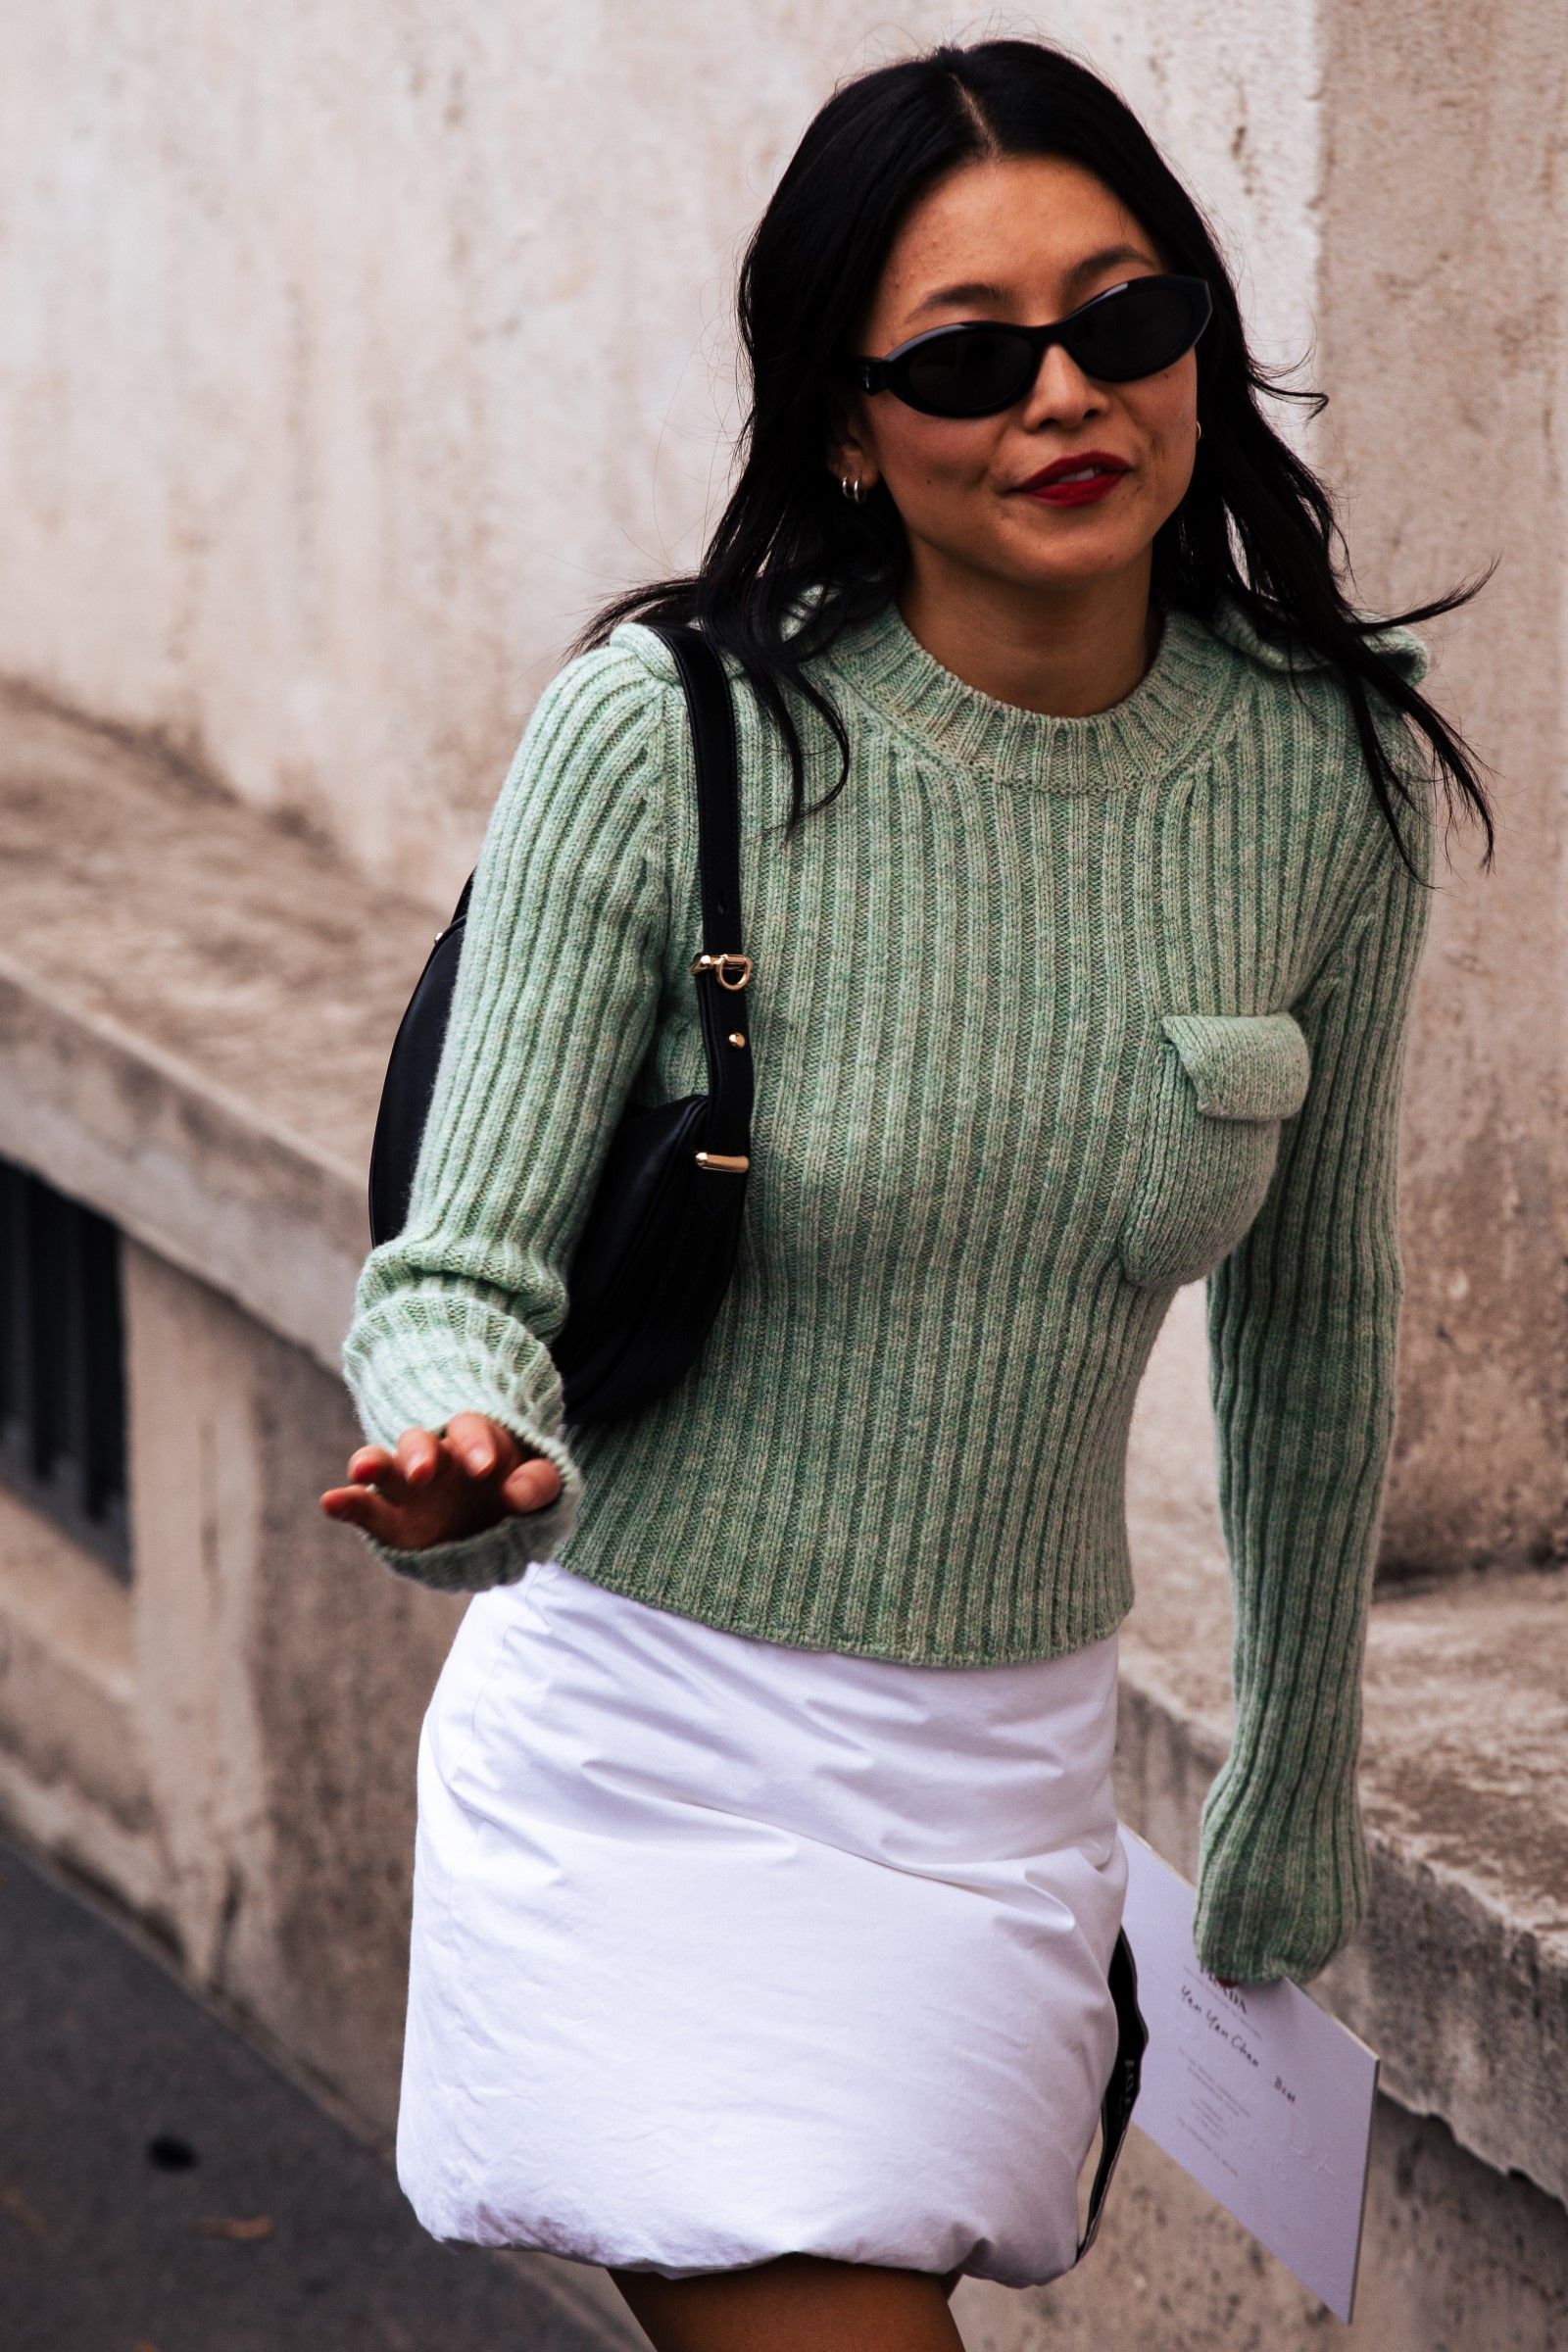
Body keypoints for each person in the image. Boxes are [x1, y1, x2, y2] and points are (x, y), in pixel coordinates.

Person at [319, 35, 1493, 2352]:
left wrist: (1289, 1770)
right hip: (656, 1743)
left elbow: (1314, 1317)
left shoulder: (1320, 773)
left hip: (1002, 1771)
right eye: (966, 356)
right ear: (848, 426)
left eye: (1122, 317)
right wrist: (460, 1446)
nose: (1062, 392)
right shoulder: (669, 731)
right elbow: (457, 1266)